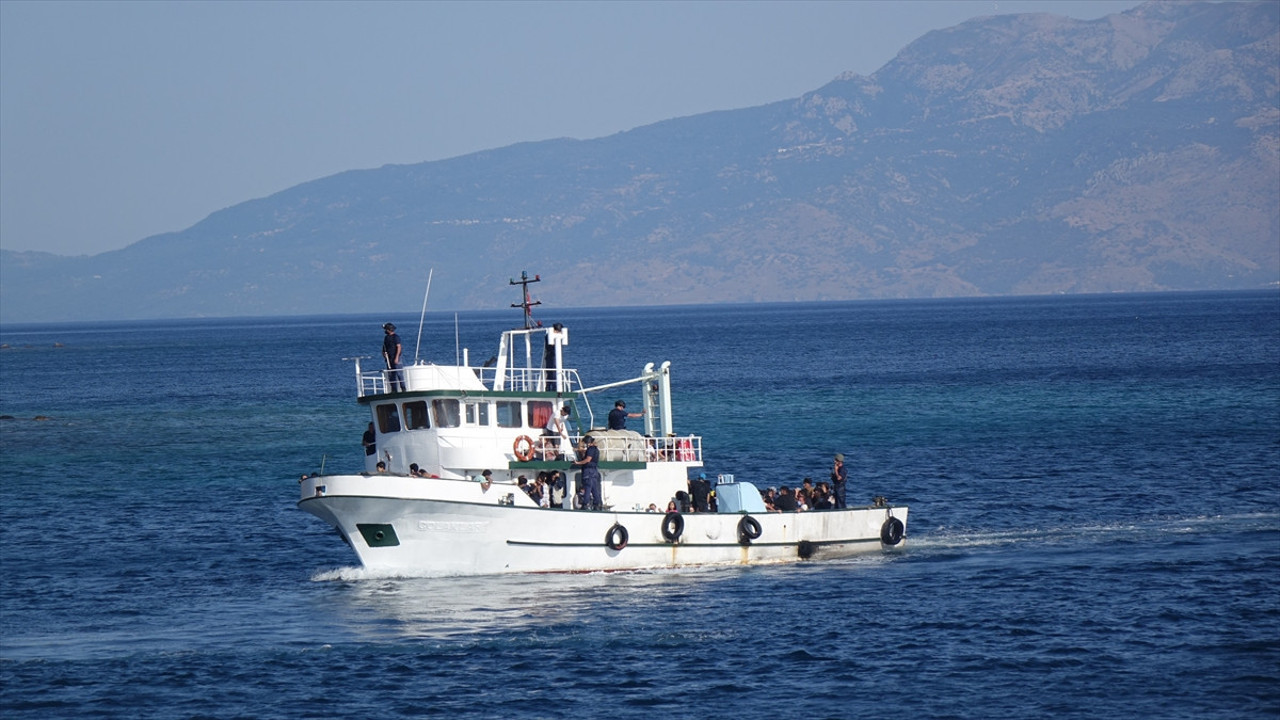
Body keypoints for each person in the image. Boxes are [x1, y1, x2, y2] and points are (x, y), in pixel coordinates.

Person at [572, 435, 602, 510]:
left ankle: (585, 504)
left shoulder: (590, 449)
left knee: (587, 487)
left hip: (588, 471)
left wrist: (578, 463)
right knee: (594, 488)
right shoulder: (596, 450)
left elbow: (588, 459)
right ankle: (597, 504)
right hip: (594, 471)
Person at [382, 322, 404, 392]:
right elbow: (384, 347)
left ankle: (403, 388)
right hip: (389, 359)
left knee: (399, 373)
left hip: (396, 358)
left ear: (389, 330)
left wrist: (396, 357)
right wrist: (384, 355)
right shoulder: (386, 338)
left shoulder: (396, 337)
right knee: (391, 375)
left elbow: (399, 347)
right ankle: (394, 389)